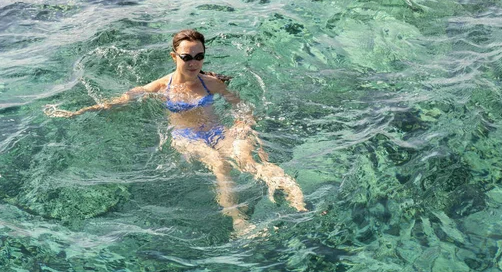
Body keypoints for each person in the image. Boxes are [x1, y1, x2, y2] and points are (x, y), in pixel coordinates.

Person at [45, 29, 307, 234]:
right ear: (174, 57)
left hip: (217, 130)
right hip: (186, 137)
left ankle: (299, 202)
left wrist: (243, 124)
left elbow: (240, 105)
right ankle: (239, 221)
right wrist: (80, 112)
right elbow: (124, 99)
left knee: (248, 159)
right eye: (187, 57)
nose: (193, 63)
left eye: (199, 57)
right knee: (219, 165)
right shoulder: (162, 86)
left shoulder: (211, 83)